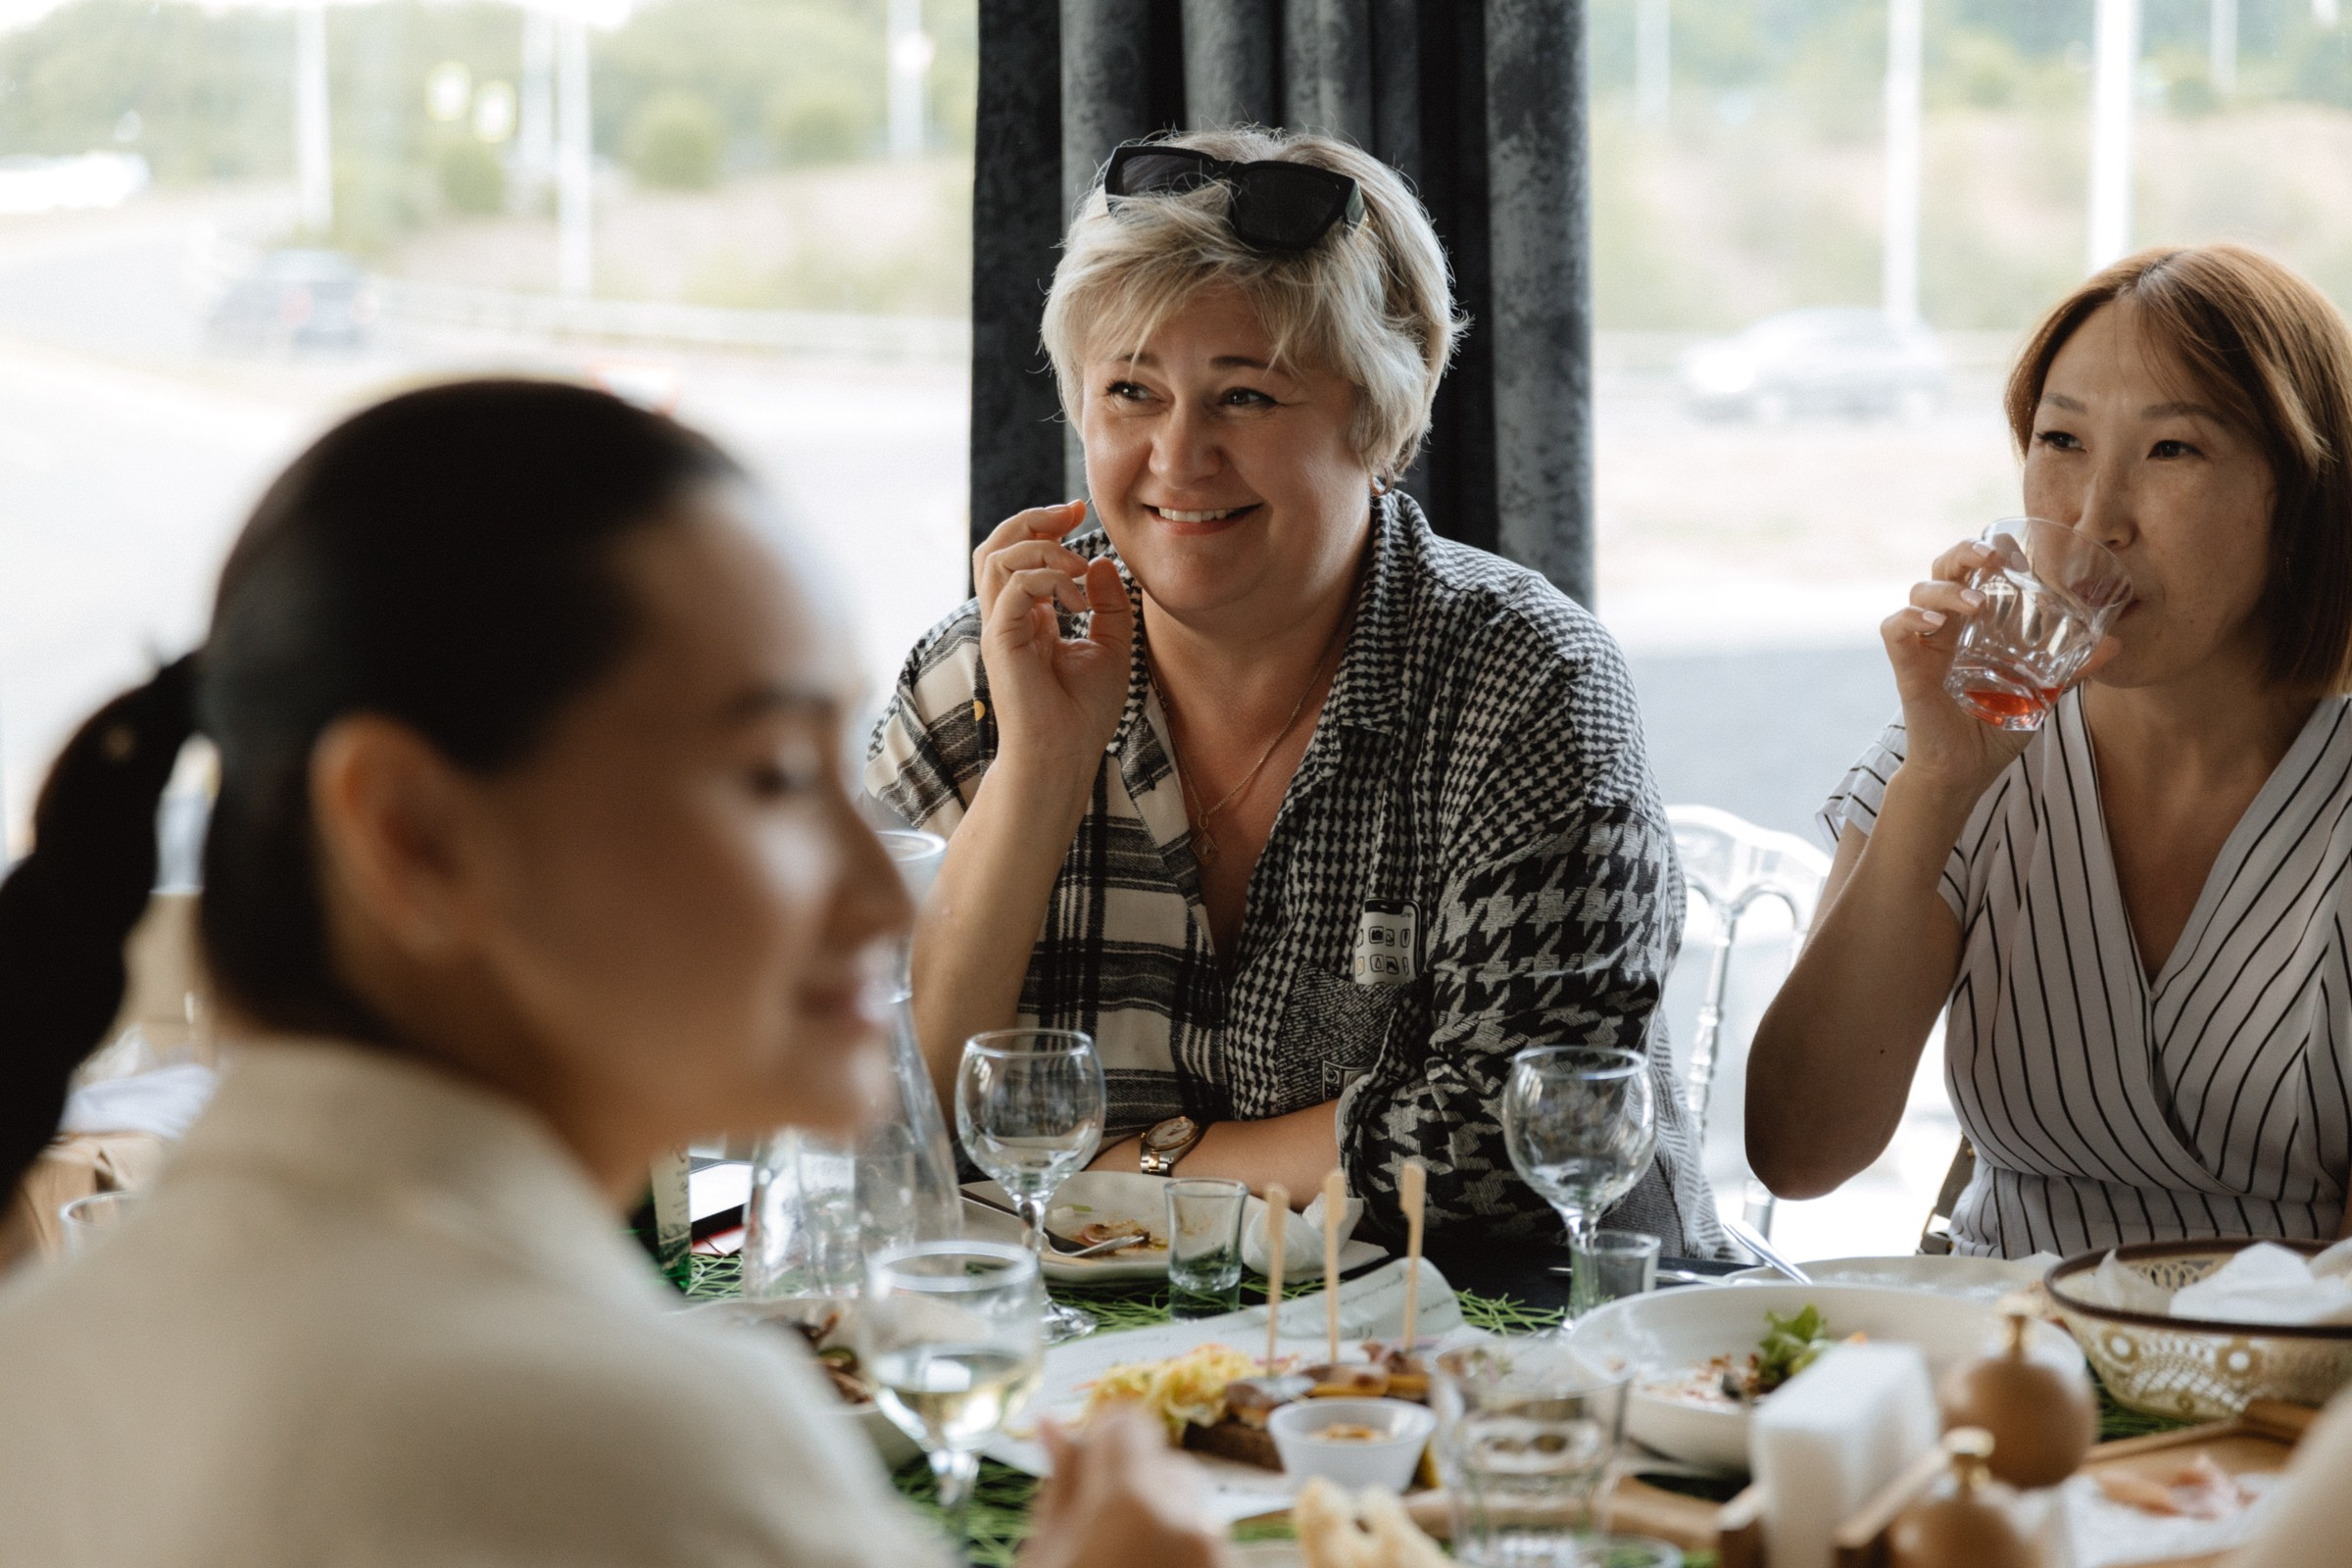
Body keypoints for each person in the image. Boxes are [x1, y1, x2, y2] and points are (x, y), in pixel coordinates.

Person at [0, 381, 1228, 1567]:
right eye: (770, 775)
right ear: (414, 833)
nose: (871, 891)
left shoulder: (47, 1359)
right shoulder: (637, 1444)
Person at [867, 126, 1721, 1257]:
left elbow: (1509, 1148)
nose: (1177, 456)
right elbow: (871, 1125)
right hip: (1086, 1381)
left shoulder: (1527, 682)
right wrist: (1038, 771)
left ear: (1376, 417)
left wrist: (1129, 1179)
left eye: (1246, 398)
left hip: (1529, 1365)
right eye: (1131, 391)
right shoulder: (979, 675)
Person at [1748, 244, 2352, 1258]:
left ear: (2297, 497)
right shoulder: (1954, 748)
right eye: (2061, 438)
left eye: (2173, 452)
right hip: (1996, 1358)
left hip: (2295, 1376)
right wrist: (1934, 787)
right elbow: (1798, 1153)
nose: (2092, 517)